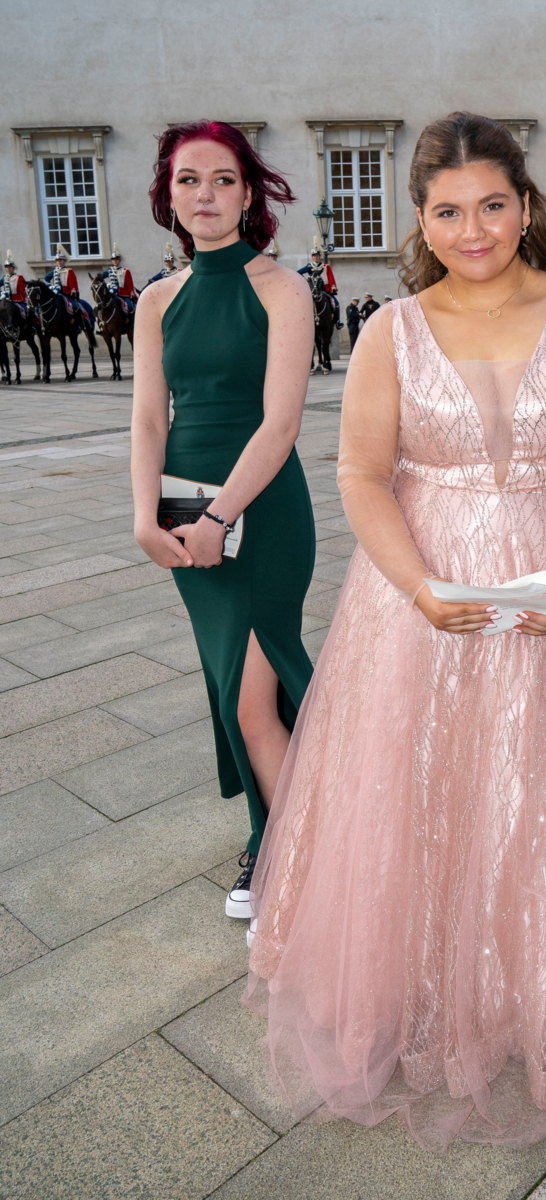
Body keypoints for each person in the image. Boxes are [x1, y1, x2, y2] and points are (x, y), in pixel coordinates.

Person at [245, 112, 546, 1151]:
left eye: (492, 204)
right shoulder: (389, 330)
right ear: (420, 217)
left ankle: (545, 982)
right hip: (420, 605)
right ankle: (419, 983)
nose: (473, 229)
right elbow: (362, 476)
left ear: (526, 203)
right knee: (424, 790)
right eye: (448, 210)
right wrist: (418, 587)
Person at [131, 120, 316, 923]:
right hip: (182, 511)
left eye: (222, 180)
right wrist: (146, 516)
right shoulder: (155, 299)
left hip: (263, 513)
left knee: (249, 697)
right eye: (188, 181)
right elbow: (146, 417)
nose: (204, 195)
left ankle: (290, 853)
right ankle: (284, 827)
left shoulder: (281, 287)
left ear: (250, 194)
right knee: (230, 683)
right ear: (168, 196)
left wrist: (218, 513)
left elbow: (280, 425)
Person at [45, 244, 94, 328]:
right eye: (57, 260)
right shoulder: (54, 270)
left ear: (64, 261)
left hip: (67, 294)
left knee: (75, 306)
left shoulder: (69, 271)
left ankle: (77, 323)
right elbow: (46, 278)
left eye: (61, 260)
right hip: (56, 294)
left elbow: (73, 284)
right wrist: (50, 286)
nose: (59, 262)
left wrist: (73, 293)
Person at [298, 246, 343, 327]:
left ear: (319, 256)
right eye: (314, 256)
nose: (316, 257)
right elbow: (298, 272)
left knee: (336, 302)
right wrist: (305, 281)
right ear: (312, 257)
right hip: (312, 290)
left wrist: (332, 288)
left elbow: (330, 278)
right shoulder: (309, 266)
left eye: (317, 255)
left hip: (323, 289)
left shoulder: (324, 266)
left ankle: (338, 321)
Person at [102, 245, 139, 315]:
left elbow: (130, 284)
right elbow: (102, 275)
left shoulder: (125, 271)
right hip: (111, 292)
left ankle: (131, 323)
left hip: (123, 294)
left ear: (119, 260)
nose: (115, 261)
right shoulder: (109, 270)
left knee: (130, 307)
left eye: (116, 260)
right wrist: (97, 277)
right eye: (113, 260)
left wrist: (131, 294)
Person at [1, 251, 28, 317]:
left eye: (10, 267)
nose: (8, 269)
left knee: (25, 311)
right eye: (7, 267)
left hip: (16, 300)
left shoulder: (18, 277)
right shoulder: (4, 277)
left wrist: (25, 302)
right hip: (5, 299)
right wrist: (1, 293)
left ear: (13, 268)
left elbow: (23, 291)